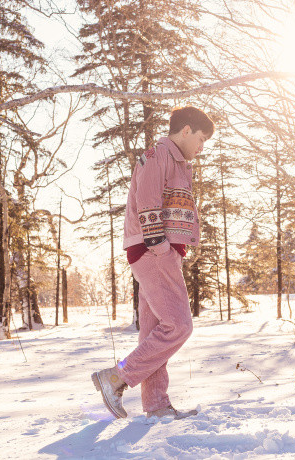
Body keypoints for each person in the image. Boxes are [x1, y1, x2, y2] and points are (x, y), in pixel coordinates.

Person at [92, 106, 215, 420]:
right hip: (153, 252)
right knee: (179, 326)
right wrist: (161, 248)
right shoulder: (157, 156)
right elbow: (147, 202)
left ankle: (157, 405)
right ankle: (115, 378)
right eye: (201, 138)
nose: (202, 146)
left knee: (154, 334)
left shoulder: (176, 162)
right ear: (185, 130)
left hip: (155, 252)